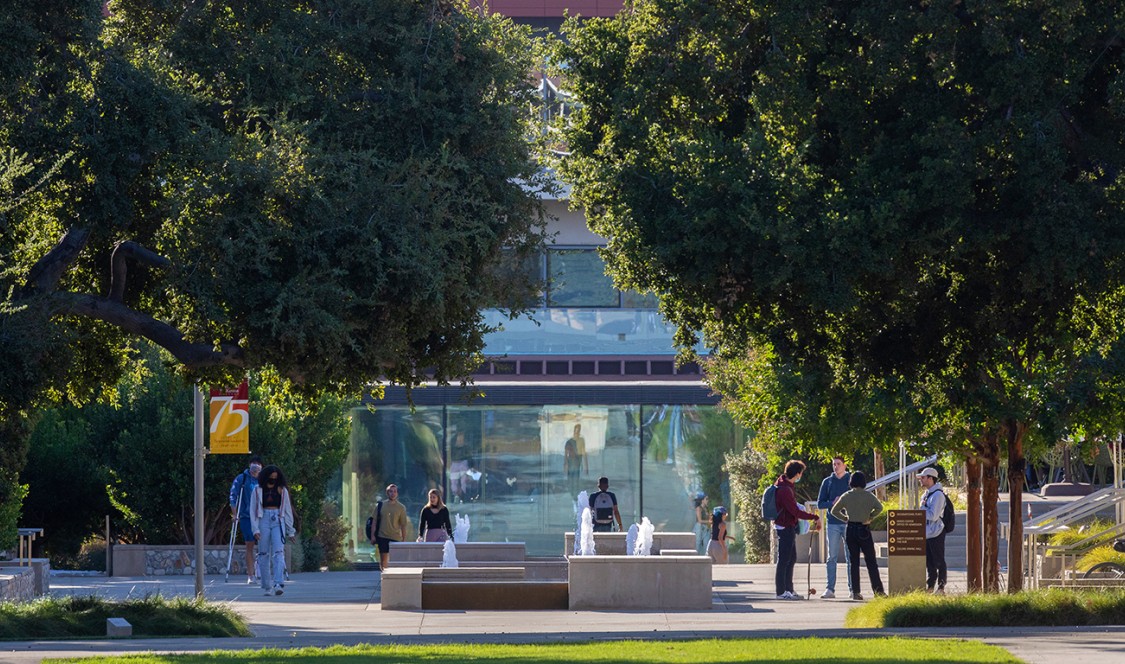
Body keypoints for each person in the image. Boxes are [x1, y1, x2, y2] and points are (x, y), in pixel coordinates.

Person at [829, 471, 886, 600]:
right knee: (871, 561)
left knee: (854, 562)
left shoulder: (847, 495)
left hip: (851, 529)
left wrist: (845, 518)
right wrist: (870, 517)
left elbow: (834, 510)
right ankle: (878, 591)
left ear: (851, 482)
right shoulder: (868, 496)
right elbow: (879, 508)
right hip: (864, 529)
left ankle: (855, 591)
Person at [773, 459, 820, 600]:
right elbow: (795, 511)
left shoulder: (784, 483)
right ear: (797, 474)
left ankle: (789, 589)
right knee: (784, 560)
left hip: (787, 526)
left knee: (791, 558)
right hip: (785, 527)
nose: (801, 476)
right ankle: (781, 592)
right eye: (801, 473)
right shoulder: (785, 490)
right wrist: (813, 517)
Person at [250, 464, 295, 597]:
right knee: (263, 553)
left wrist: (290, 530)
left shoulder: (282, 491)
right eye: (271, 478)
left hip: (277, 520)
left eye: (275, 478)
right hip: (263, 518)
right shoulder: (257, 490)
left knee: (278, 552)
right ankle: (266, 585)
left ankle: (278, 583)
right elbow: (253, 511)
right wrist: (255, 529)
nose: (273, 481)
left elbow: (287, 511)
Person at [817, 456, 852, 599]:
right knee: (832, 556)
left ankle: (853, 589)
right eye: (834, 464)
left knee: (851, 557)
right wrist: (833, 502)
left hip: (849, 523)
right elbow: (820, 503)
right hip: (832, 523)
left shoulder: (851, 480)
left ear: (845, 465)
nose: (836, 467)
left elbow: (858, 498)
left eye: (838, 464)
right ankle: (830, 589)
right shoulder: (827, 482)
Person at [228, 455, 262, 584]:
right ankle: (251, 575)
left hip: (261, 517)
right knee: (250, 545)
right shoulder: (242, 479)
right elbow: (233, 496)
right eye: (253, 463)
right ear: (249, 465)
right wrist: (235, 514)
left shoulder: (264, 480)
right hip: (247, 517)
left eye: (258, 463)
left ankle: (260, 570)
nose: (256, 466)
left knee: (263, 545)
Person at [918, 466, 948, 595]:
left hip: (936, 531)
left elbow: (934, 515)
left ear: (931, 479)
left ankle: (941, 587)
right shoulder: (927, 494)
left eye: (923, 477)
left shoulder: (938, 495)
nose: (921, 480)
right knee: (929, 561)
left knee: (939, 559)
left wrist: (921, 511)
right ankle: (930, 586)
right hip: (927, 532)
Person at [370, 483, 409, 571]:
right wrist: (373, 536)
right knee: (383, 559)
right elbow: (374, 522)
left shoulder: (401, 507)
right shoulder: (380, 505)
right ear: (387, 493)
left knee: (395, 560)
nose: (393, 493)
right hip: (382, 536)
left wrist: (404, 539)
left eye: (395, 491)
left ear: (397, 493)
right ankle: (384, 577)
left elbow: (403, 525)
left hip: (395, 537)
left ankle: (392, 577)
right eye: (391, 491)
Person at [564, 424, 588, 496]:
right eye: (576, 430)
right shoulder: (569, 442)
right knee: (571, 481)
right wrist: (566, 466)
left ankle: (575, 496)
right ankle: (572, 495)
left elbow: (583, 453)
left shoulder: (581, 440)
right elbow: (566, 456)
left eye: (578, 430)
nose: (577, 432)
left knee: (576, 481)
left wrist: (586, 467)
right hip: (571, 464)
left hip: (577, 464)